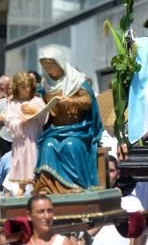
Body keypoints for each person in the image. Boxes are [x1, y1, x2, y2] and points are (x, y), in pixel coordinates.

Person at [35, 46, 103, 194]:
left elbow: (88, 101)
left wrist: (70, 101)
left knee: (71, 145)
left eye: (51, 65)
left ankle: (75, 184)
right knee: (48, 146)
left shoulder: (76, 80)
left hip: (77, 129)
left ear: (60, 63)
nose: (49, 70)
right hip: (54, 129)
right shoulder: (44, 83)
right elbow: (38, 104)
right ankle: (46, 186)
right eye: (45, 66)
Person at [6, 72, 47, 195]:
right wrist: (21, 122)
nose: (27, 89)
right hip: (21, 139)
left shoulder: (37, 100)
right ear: (17, 87)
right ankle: (21, 187)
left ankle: (37, 185)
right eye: (23, 87)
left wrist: (34, 110)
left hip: (34, 136)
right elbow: (8, 121)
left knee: (34, 158)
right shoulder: (12, 102)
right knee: (21, 160)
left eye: (28, 86)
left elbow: (45, 117)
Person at [0, 75, 14, 155]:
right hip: (5, 137)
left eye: (13, 89)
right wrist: (7, 119)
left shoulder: (23, 102)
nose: (11, 90)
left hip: (19, 138)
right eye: (10, 89)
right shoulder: (2, 101)